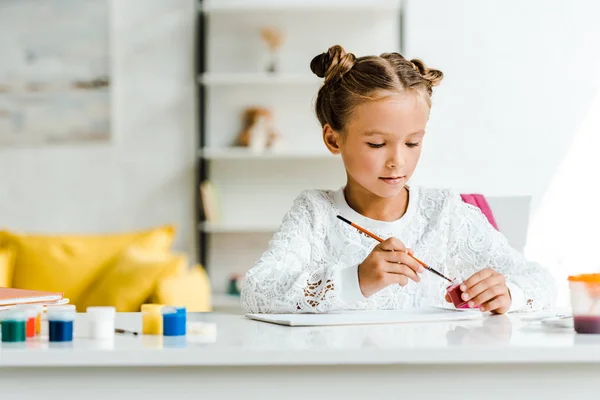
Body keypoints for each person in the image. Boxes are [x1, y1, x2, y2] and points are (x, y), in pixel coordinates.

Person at [241, 45, 556, 314]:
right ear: (334, 140)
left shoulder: (445, 213)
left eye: (412, 143)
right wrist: (356, 280)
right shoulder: (315, 213)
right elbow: (257, 292)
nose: (398, 161)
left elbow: (542, 283)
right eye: (377, 144)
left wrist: (508, 293)